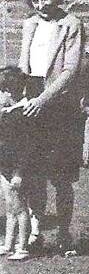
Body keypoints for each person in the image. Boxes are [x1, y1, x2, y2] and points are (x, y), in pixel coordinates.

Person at [19, 0, 84, 256]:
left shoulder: (71, 24)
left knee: (61, 176)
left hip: (59, 104)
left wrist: (43, 100)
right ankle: (35, 231)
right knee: (33, 172)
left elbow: (70, 70)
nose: (41, 5)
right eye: (35, 1)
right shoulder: (29, 24)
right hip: (31, 102)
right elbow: (23, 65)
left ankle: (64, 233)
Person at [0, 66, 31, 260]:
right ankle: (9, 243)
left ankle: (22, 247)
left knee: (20, 208)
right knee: (10, 206)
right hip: (5, 166)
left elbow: (25, 147)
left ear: (9, 92)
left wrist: (19, 172)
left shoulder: (21, 115)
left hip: (16, 169)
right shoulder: (7, 112)